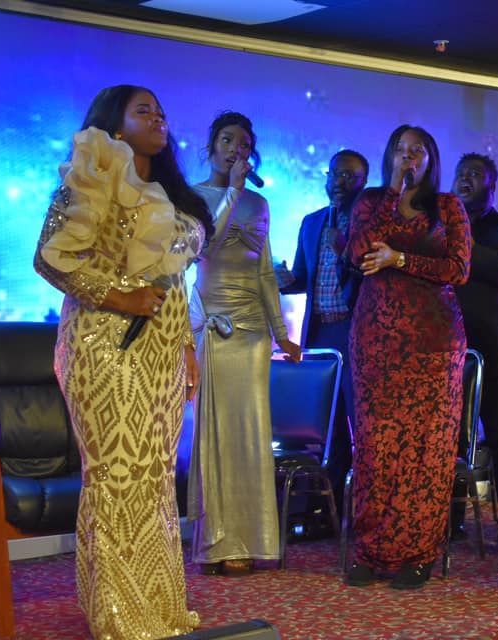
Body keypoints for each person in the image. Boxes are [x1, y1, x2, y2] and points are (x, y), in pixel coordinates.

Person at [34, 85, 214, 639]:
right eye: (144, 111)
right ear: (114, 124)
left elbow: (174, 281)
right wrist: (118, 297)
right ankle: (118, 616)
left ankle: (157, 608)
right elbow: (49, 258)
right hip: (103, 344)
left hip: (163, 350)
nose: (158, 118)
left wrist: (186, 347)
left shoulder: (171, 192)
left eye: (162, 111)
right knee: (116, 477)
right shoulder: (90, 174)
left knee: (155, 479)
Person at [344, 124, 471, 590]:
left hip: (434, 343)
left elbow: (458, 268)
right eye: (400, 150)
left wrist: (400, 260)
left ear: (431, 158)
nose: (408, 157)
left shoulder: (448, 206)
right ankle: (370, 551)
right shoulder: (369, 202)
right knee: (376, 447)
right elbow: (359, 252)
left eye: (417, 150)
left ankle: (417, 555)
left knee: (425, 452)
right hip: (376, 339)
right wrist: (391, 196)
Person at [187, 111, 301, 576]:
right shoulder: (191, 197)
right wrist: (232, 192)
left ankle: (251, 539)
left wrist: (281, 334)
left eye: (244, 144)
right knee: (216, 433)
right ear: (211, 146)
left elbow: (264, 272)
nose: (236, 149)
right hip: (212, 326)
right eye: (227, 140)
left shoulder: (260, 204)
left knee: (250, 431)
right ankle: (216, 541)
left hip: (252, 331)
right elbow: (203, 249)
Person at [275, 149, 369, 514]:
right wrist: (285, 280)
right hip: (319, 334)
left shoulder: (368, 222)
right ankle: (330, 511)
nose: (340, 182)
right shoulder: (312, 222)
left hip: (355, 332)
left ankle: (365, 507)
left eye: (349, 176)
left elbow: (371, 276)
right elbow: (302, 277)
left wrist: (344, 246)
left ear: (363, 182)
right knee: (329, 427)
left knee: (362, 421)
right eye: (335, 174)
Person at [450, 152, 498, 547]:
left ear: (492, 186)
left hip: (496, 348)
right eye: (461, 174)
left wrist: (463, 246)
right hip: (449, 349)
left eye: (475, 174)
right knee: (449, 439)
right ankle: (449, 520)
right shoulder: (442, 224)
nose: (465, 179)